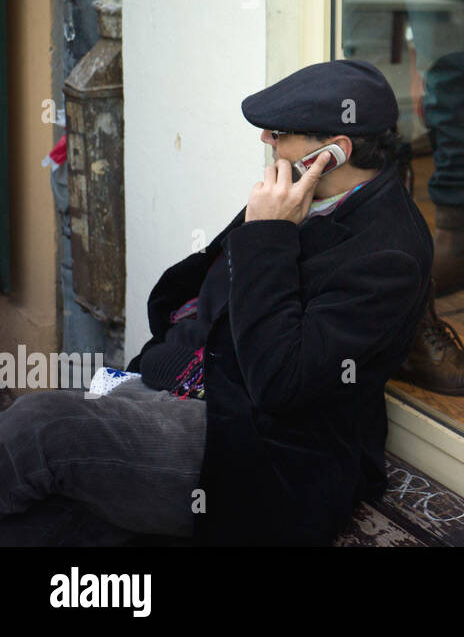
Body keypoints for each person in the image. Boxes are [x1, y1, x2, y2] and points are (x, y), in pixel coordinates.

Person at [0, 59, 434, 545]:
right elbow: (206, 294)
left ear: (334, 152)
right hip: (187, 387)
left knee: (39, 430)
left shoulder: (389, 255)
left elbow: (280, 381)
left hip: (259, 450)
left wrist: (269, 235)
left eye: (278, 133)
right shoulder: (301, 194)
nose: (266, 141)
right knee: (38, 520)